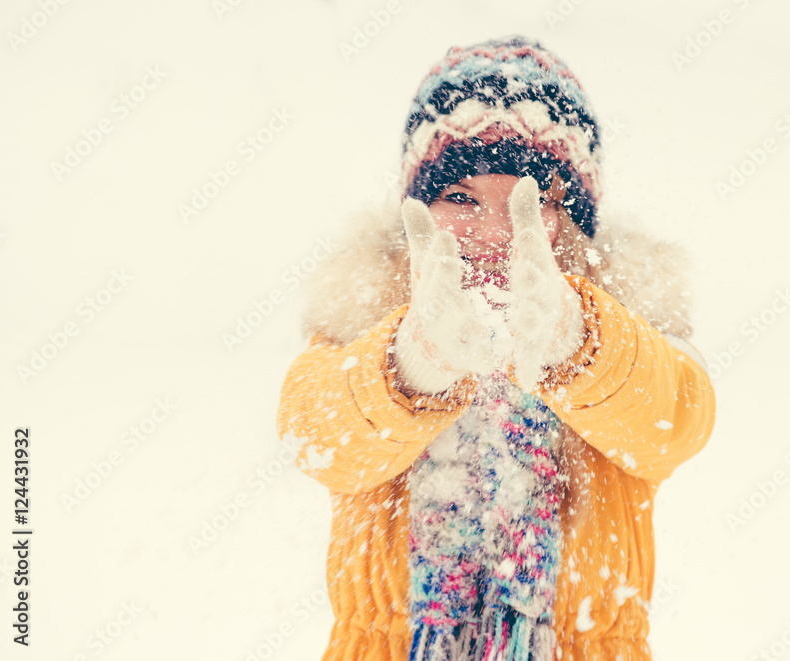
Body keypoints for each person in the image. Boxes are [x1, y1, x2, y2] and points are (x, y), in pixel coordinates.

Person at [277, 36, 716, 661]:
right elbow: (315, 438)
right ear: (417, 208)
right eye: (460, 198)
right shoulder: (364, 316)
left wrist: (575, 342)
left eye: (529, 202)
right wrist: (412, 363)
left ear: (574, 217)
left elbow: (675, 422)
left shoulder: (630, 320)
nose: (494, 232)